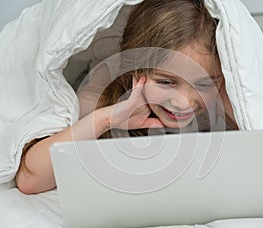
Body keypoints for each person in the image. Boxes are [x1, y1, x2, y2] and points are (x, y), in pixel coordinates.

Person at [15, 0, 238, 194]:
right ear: (135, 70)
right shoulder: (99, 97)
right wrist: (108, 119)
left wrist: (230, 101)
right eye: (166, 82)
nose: (184, 103)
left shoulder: (219, 97)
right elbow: (29, 180)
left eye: (204, 83)